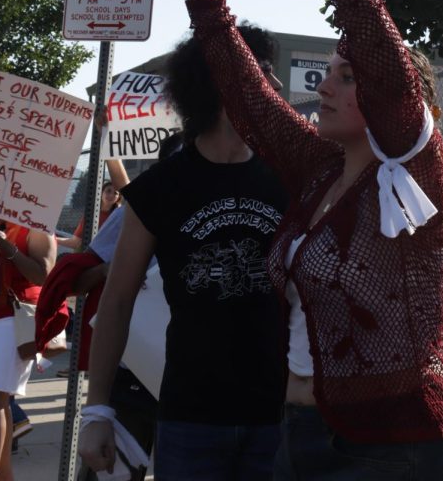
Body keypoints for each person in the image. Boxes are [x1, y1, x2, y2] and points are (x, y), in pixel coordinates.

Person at [161, 0, 443, 478]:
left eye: (346, 77)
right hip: (299, 434)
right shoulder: (319, 170)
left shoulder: (419, 170)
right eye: (329, 72)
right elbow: (249, 99)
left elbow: (385, 63)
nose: (324, 85)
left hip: (397, 448)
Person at [81, 25, 289, 481]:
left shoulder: (290, 176)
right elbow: (116, 300)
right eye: (264, 72)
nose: (275, 85)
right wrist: (97, 410)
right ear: (221, 80)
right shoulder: (161, 186)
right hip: (189, 417)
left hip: (279, 416)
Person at [0, 220, 56, 481]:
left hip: (14, 320)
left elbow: (43, 274)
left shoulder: (37, 226)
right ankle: (4, 476)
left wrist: (8, 248)